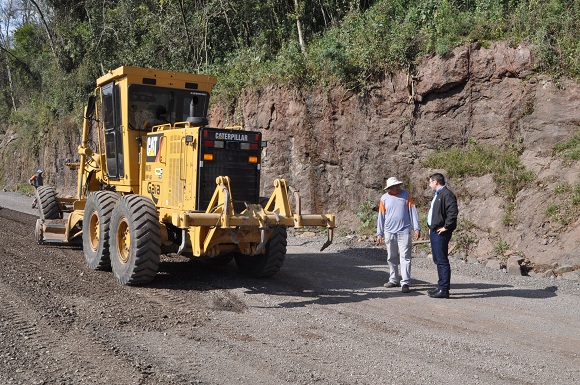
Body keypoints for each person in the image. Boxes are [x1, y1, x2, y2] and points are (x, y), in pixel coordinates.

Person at [376, 177, 421, 293]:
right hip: (389, 232)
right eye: (394, 186)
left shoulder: (406, 195)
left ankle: (405, 282)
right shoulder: (384, 198)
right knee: (391, 256)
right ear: (389, 188)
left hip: (404, 231)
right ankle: (393, 279)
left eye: (397, 185)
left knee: (405, 257)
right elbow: (381, 216)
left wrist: (416, 228)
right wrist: (379, 233)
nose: (397, 187)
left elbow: (413, 212)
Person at [427, 173, 459, 299]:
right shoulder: (438, 194)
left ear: (436, 182)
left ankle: (444, 289)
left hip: (442, 232)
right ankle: (440, 286)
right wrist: (431, 227)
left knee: (442, 260)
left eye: (430, 182)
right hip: (435, 230)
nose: (429, 184)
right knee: (437, 260)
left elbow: (452, 212)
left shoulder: (446, 194)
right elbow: (435, 213)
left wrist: (446, 227)